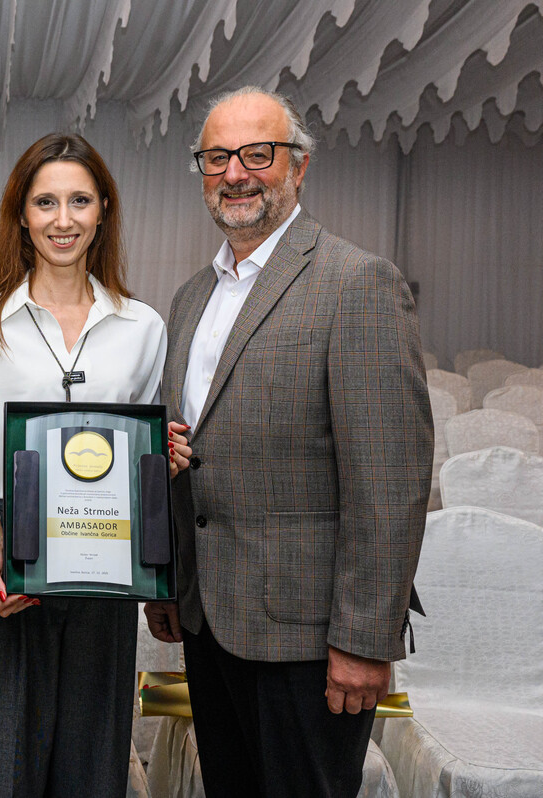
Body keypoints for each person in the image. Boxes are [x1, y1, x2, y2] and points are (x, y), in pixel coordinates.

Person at [143, 87, 433, 797]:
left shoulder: (356, 282)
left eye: (257, 154)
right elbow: (188, 452)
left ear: (298, 166)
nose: (235, 173)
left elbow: (388, 482)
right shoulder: (191, 297)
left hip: (311, 640)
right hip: (209, 625)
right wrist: (169, 582)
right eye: (217, 158)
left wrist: (364, 641)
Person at [0, 133, 190, 796]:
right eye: (45, 201)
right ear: (21, 215)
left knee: (90, 775)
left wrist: (160, 463)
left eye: (79, 200)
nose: (63, 219)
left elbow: (138, 460)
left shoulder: (143, 327)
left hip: (102, 579)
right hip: (5, 572)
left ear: (103, 210)